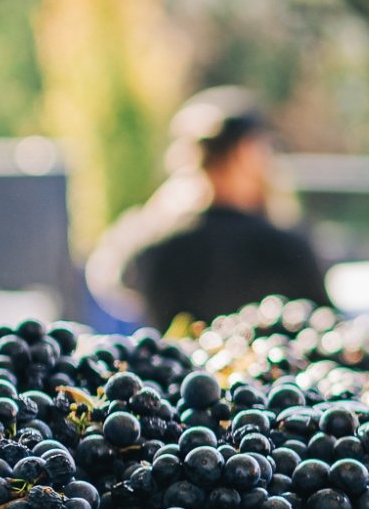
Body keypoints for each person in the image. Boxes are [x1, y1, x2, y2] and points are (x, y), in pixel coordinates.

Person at [89, 87, 330, 328]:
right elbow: (325, 328)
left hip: (178, 364)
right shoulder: (284, 248)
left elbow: (114, 277)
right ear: (245, 153)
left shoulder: (158, 246)